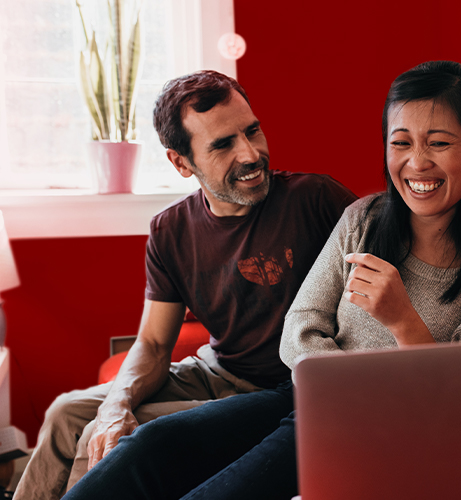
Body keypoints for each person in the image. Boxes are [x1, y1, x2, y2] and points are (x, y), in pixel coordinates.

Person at [62, 60, 461, 500]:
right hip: (309, 398)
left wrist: (405, 324)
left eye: (438, 142)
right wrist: (341, 388)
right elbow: (301, 325)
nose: (416, 163)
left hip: (389, 431)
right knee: (154, 443)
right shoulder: (364, 219)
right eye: (400, 142)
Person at [13, 70, 356, 500]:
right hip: (215, 371)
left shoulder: (317, 200)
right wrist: (115, 404)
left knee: (98, 441)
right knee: (66, 413)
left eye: (252, 131)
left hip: (278, 392)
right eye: (223, 144)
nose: (251, 154)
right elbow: (155, 344)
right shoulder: (170, 230)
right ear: (181, 162)